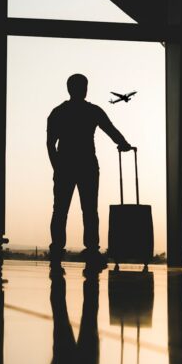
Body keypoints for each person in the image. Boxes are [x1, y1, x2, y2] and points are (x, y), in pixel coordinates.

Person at [47, 73, 131, 269]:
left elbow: (50, 144)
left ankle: (57, 250)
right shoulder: (92, 111)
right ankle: (92, 251)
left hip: (65, 165)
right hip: (87, 165)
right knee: (89, 210)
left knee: (60, 211)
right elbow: (110, 130)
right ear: (84, 89)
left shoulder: (58, 112)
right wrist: (123, 144)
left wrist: (57, 167)